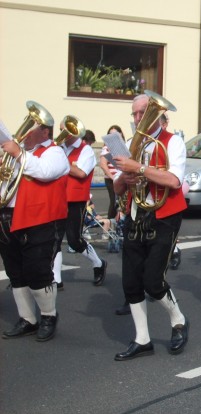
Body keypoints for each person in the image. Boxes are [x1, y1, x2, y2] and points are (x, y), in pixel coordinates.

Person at [112, 93, 189, 360]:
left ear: (156, 114)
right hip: (136, 214)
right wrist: (125, 178)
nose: (137, 119)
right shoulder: (131, 144)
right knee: (131, 282)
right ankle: (142, 339)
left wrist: (140, 169)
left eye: (142, 113)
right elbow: (117, 188)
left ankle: (178, 320)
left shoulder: (173, 141)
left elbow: (174, 180)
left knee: (153, 281)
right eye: (134, 114)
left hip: (165, 215)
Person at [0, 115, 69, 342]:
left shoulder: (55, 152)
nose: (25, 133)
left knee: (37, 272)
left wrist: (18, 154)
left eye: (31, 128)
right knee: (15, 272)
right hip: (8, 216)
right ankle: (27, 319)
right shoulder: (19, 153)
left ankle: (49, 316)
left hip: (40, 220)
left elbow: (44, 172)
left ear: (45, 132)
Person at [56, 119, 107, 288]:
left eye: (65, 130)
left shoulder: (86, 150)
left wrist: (60, 159)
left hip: (75, 200)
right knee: (55, 238)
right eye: (61, 130)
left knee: (74, 240)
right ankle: (56, 279)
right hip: (58, 198)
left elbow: (81, 173)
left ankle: (98, 263)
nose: (62, 134)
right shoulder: (60, 148)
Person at [99, 125, 125, 220]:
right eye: (110, 134)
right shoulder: (107, 147)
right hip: (112, 179)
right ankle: (110, 223)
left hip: (122, 178)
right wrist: (113, 177)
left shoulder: (124, 146)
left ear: (120, 134)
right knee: (114, 202)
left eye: (115, 134)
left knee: (123, 203)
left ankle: (120, 223)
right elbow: (103, 164)